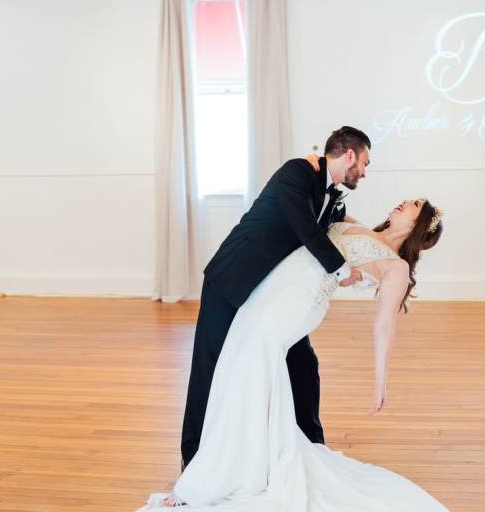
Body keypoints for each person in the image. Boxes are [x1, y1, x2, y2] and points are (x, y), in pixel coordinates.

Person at [135, 166, 448, 509]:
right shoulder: (359, 226)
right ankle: (238, 465)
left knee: (251, 369)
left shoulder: (396, 267)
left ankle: (218, 476)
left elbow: (384, 325)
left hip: (296, 304)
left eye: (414, 204)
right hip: (272, 291)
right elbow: (323, 235)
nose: (404, 203)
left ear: (420, 226)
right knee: (239, 369)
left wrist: (380, 383)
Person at [179, 127, 371, 476]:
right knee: (209, 367)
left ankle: (312, 447)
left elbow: (337, 221)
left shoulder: (331, 193)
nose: (364, 172)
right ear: (349, 155)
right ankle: (192, 456)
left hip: (269, 296)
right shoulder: (295, 173)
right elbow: (306, 229)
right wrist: (342, 271)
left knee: (303, 365)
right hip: (232, 280)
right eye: (364, 163)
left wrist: (379, 237)